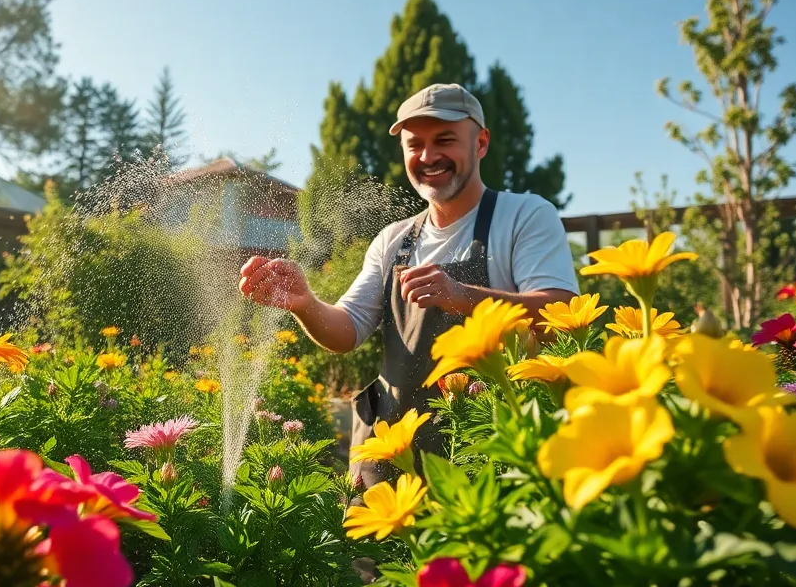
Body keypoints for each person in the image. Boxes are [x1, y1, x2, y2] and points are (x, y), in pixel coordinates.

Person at [238, 83, 578, 488]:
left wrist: (464, 296)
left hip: (488, 455)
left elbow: (559, 313)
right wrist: (305, 302)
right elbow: (347, 330)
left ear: (481, 142)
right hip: (394, 457)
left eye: (445, 140)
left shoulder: (524, 215)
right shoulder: (393, 240)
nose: (429, 157)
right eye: (415, 145)